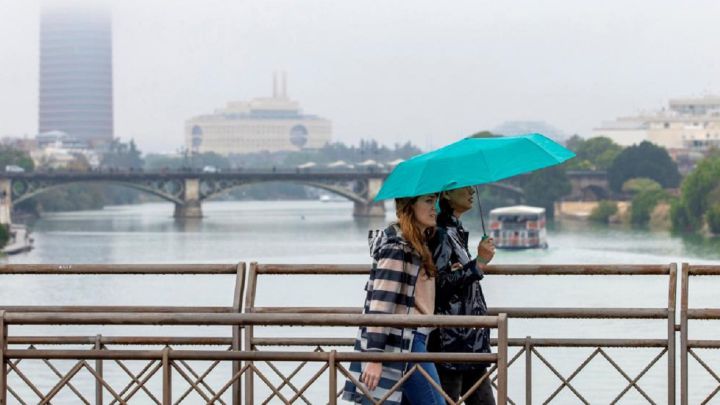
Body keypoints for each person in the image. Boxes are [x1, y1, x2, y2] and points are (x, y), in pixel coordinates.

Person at [342, 194, 446, 405]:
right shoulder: (396, 247)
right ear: (409, 207)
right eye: (428, 201)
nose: (434, 207)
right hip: (403, 342)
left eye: (435, 201)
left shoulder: (415, 244)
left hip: (411, 338)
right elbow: (381, 302)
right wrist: (374, 357)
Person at [430, 186, 496, 405]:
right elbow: (439, 287)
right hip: (452, 341)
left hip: (468, 339)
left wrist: (470, 267)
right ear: (446, 194)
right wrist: (478, 263)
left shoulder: (454, 231)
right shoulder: (441, 233)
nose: (472, 191)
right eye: (465, 187)